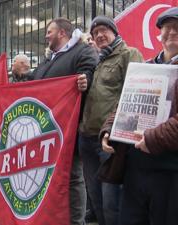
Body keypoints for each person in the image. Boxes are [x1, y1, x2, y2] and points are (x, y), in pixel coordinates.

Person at [101, 7, 178, 225]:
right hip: (135, 167)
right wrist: (109, 130)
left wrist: (153, 138)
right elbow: (124, 104)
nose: (171, 32)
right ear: (159, 35)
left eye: (177, 28)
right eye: (166, 28)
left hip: (169, 170)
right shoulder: (145, 67)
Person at [31, 18, 98, 225]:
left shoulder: (82, 51)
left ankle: (76, 222)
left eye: (49, 31)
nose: (45, 35)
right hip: (47, 129)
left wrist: (84, 80)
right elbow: (33, 83)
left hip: (69, 128)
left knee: (72, 177)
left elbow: (90, 73)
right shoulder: (50, 59)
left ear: (62, 33)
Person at [79, 16, 144, 225]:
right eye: (95, 32)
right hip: (87, 138)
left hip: (110, 140)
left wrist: (111, 128)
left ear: (114, 32)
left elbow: (133, 93)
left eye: (103, 30)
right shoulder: (97, 61)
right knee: (96, 200)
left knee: (111, 202)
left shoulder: (128, 53)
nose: (99, 35)